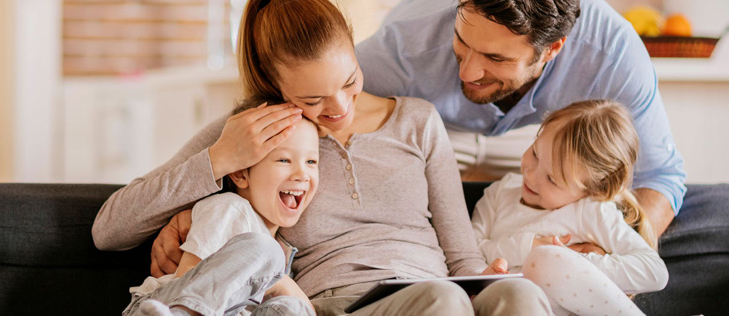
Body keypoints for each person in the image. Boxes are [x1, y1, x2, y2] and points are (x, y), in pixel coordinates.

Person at [92, 0, 553, 315]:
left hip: (434, 289)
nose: (340, 108)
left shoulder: (418, 120)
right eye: (313, 98)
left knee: (517, 294)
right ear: (276, 88)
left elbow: (460, 253)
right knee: (443, 303)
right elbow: (108, 229)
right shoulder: (257, 135)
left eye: (350, 81)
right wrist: (216, 160)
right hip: (338, 301)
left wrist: (484, 278)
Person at [355, 0, 687, 237]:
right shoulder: (400, 48)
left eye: (495, 57)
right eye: (462, 41)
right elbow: (316, 101)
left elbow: (659, 176)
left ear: (552, 49)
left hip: (541, 142)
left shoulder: (611, 52)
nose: (467, 70)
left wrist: (607, 254)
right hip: (432, 128)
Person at [471, 100, 668, 315]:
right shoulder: (500, 192)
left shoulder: (590, 210)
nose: (531, 175)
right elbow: (468, 250)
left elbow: (654, 272)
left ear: (594, 190)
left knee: (544, 260)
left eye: (552, 179)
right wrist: (530, 245)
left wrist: (574, 262)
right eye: (535, 153)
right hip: (501, 305)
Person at [119, 113, 320, 316]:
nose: (302, 174)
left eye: (311, 161)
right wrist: (281, 282)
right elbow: (191, 277)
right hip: (167, 304)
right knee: (267, 253)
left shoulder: (285, 246)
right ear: (241, 174)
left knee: (292, 307)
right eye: (284, 160)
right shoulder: (229, 208)